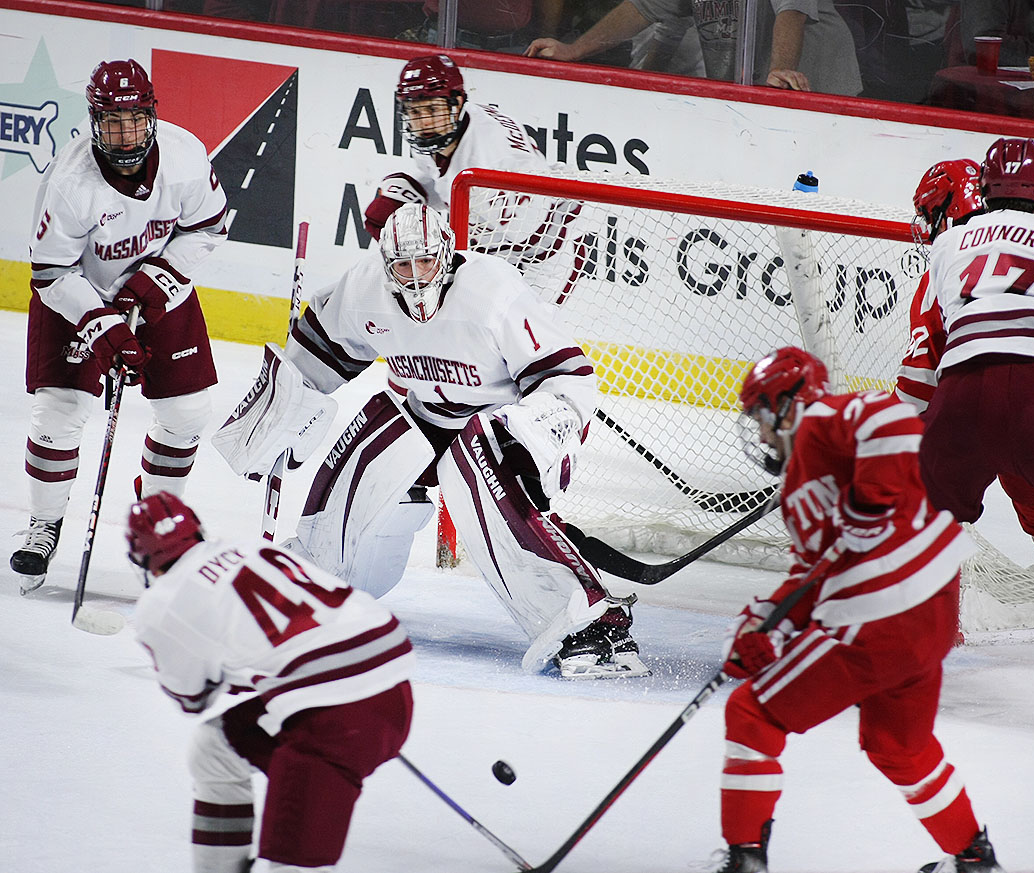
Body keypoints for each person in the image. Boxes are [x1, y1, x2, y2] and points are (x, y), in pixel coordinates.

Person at [212, 202, 649, 679]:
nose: (415, 276)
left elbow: (568, 376)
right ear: (386, 265)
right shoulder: (365, 290)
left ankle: (590, 622)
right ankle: (315, 584)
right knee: (370, 447)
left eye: (426, 262)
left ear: (446, 255)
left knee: (475, 466)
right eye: (403, 264)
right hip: (426, 411)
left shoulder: (492, 292)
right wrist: (285, 406)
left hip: (496, 420)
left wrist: (537, 434)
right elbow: (320, 347)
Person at [710, 346, 1000, 873]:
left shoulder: (823, 420)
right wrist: (763, 628)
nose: (758, 434)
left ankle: (744, 860)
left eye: (760, 416)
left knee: (751, 713)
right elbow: (811, 577)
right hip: (925, 617)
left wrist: (871, 502)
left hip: (881, 612)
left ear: (788, 403)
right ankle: (975, 859)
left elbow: (895, 420)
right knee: (899, 747)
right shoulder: (799, 487)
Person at [10, 59, 227, 595]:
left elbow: (210, 225)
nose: (124, 133)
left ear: (151, 116)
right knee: (59, 412)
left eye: (134, 120)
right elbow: (49, 273)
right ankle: (44, 522)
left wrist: (155, 283)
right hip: (77, 294)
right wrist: (106, 326)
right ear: (94, 122)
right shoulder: (71, 183)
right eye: (111, 122)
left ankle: (160, 529)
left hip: (157, 287)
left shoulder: (185, 157)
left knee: (186, 412)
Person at [126, 492, 415, 873]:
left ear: (143, 560)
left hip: (334, 717)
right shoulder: (245, 547)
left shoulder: (159, 604)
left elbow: (192, 698)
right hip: (392, 683)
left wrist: (232, 669)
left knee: (291, 865)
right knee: (215, 748)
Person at [900, 156, 1034, 659]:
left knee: (930, 511)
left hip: (975, 399)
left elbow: (919, 381)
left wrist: (875, 437)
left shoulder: (946, 257)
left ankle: (919, 633)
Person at [362, 53, 580, 284]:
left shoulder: (493, 164)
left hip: (546, 257)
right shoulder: (448, 127)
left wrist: (432, 253)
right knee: (393, 193)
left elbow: (531, 239)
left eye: (431, 111)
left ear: (455, 104)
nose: (423, 122)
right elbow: (444, 179)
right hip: (505, 232)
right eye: (415, 112)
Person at [525, 0, 862, 96]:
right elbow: (643, 8)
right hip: (756, 93)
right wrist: (574, 50)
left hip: (818, 88)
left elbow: (792, 11)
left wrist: (780, 69)